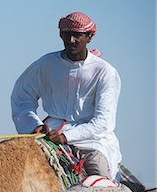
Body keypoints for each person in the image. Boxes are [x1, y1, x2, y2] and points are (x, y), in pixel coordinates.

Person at [11, 11, 122, 180]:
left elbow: (103, 122)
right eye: (67, 35)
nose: (71, 41)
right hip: (48, 136)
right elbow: (22, 95)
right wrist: (34, 125)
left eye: (77, 36)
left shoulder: (105, 72)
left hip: (91, 141)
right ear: (60, 34)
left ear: (89, 37)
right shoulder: (46, 64)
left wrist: (65, 137)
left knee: (101, 185)